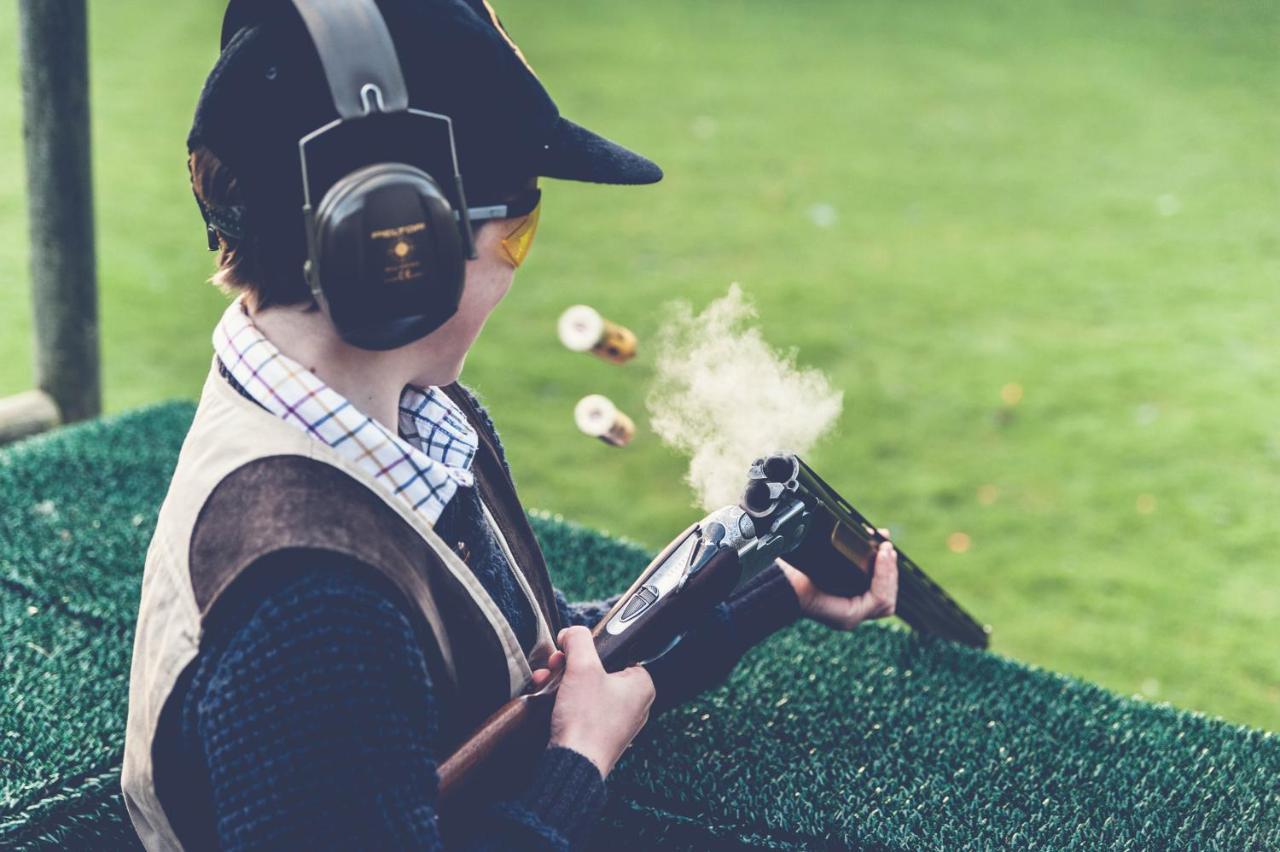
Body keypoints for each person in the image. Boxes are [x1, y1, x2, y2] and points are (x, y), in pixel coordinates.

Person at [121, 1, 899, 849]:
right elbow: (541, 718)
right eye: (521, 225)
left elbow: (535, 661)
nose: (526, 258)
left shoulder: (413, 421)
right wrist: (579, 761)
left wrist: (773, 587)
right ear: (398, 247)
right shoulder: (313, 611)